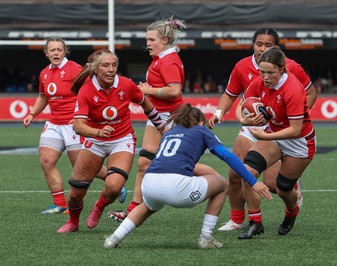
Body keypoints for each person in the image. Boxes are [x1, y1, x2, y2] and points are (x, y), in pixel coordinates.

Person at [104, 104, 272, 249]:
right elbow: (227, 157)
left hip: (149, 183)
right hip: (178, 188)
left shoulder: (170, 133)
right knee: (222, 185)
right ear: (200, 122)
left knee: (147, 206)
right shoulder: (201, 130)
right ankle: (206, 237)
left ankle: (114, 238)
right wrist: (253, 181)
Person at [107, 17, 218, 223]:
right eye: (147, 39)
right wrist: (148, 89)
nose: (147, 43)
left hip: (174, 118)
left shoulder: (168, 60)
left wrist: (147, 90)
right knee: (144, 164)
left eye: (151, 39)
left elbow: (174, 90)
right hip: (158, 116)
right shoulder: (161, 58)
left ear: (165, 40)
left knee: (183, 165)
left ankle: (221, 183)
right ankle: (133, 210)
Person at [207, 28, 317, 231]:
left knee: (277, 186)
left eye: (268, 45)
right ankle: (242, 221)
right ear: (253, 44)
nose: (262, 48)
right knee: (239, 172)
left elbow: (309, 97)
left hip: (288, 132)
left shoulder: (292, 72)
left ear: (277, 50)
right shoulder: (244, 67)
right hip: (258, 125)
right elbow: (235, 97)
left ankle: (291, 198)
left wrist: (295, 113)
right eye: (259, 44)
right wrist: (235, 118)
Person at [57, 49, 165, 233]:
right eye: (105, 65)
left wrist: (162, 127)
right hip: (96, 141)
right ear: (96, 69)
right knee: (75, 194)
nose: (111, 70)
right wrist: (98, 132)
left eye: (114, 65)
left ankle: (99, 207)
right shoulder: (86, 90)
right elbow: (78, 126)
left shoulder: (126, 84)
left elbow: (145, 104)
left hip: (122, 140)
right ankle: (73, 222)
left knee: (114, 187)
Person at [22, 38, 126, 215]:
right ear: (46, 53)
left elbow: (93, 88)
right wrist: (32, 113)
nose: (56, 53)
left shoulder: (75, 69)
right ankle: (60, 204)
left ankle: (114, 180)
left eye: (59, 49)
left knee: (81, 167)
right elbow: (43, 97)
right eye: (52, 50)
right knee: (46, 161)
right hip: (54, 123)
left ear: (65, 52)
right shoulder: (44, 74)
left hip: (74, 124)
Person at [237, 46, 316, 239]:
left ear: (282, 69)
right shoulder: (260, 82)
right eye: (262, 72)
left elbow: (295, 130)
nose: (265, 76)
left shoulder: (293, 89)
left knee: (282, 188)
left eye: (270, 72)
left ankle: (291, 211)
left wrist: (264, 136)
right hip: (274, 135)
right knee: (246, 172)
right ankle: (255, 222)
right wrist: (243, 120)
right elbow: (241, 104)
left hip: (299, 143)